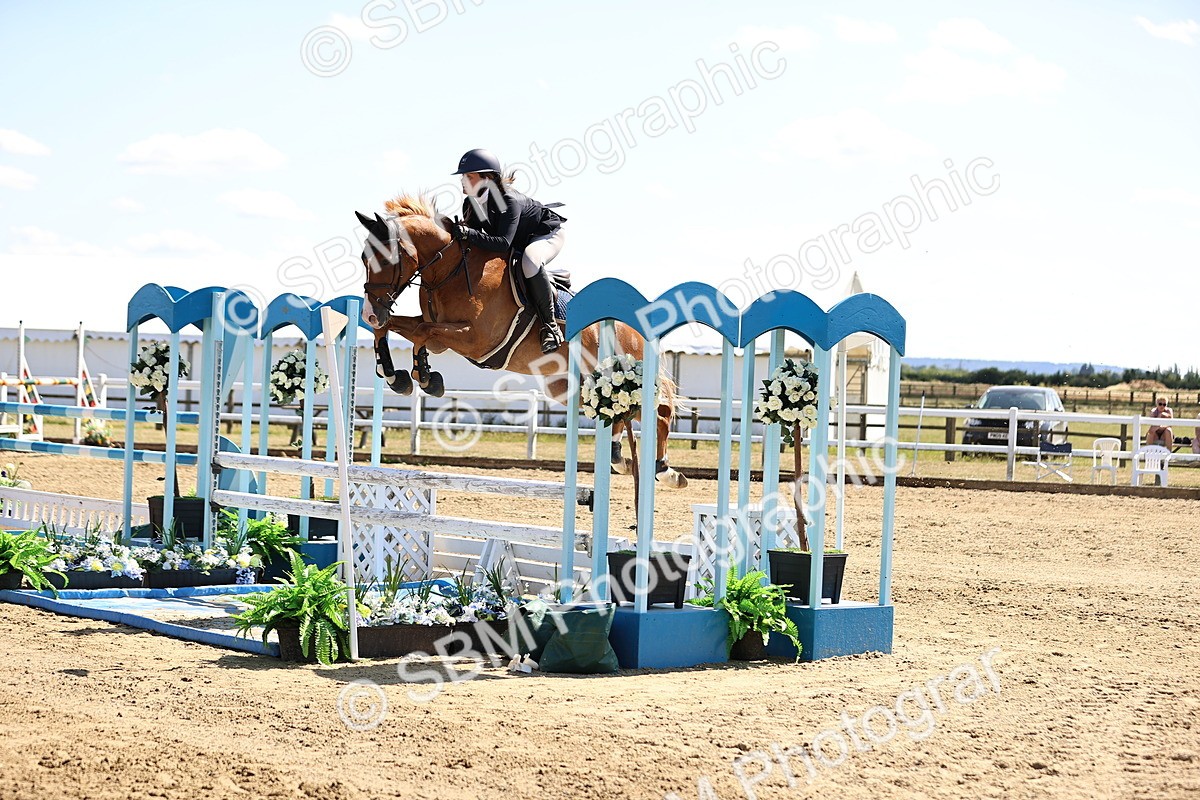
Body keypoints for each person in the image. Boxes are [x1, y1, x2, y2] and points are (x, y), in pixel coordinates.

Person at [444, 148, 566, 354]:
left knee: (530, 261)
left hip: (546, 234)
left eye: (469, 176)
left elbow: (502, 243)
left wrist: (468, 233)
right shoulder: (471, 203)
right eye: (463, 176)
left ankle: (550, 328)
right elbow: (475, 243)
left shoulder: (507, 200)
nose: (463, 181)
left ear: (488, 178)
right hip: (517, 240)